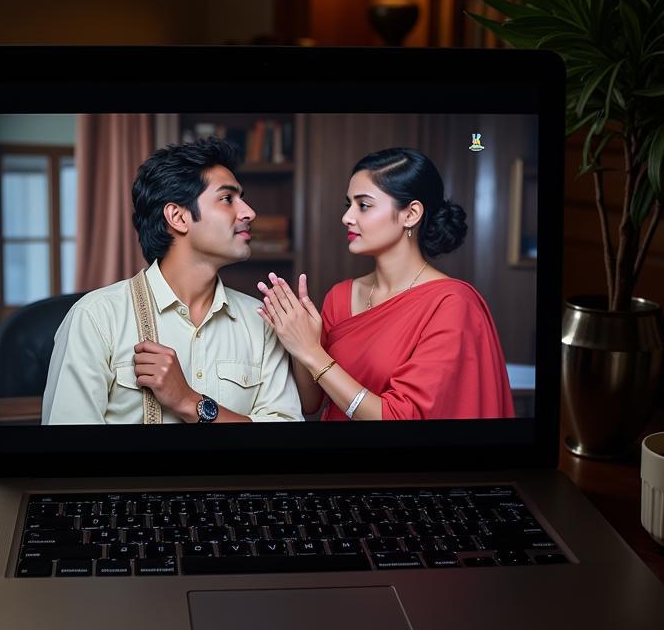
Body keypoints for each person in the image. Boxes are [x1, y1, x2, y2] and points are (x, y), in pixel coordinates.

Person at [40, 137, 301, 424]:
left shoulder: (262, 322)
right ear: (178, 217)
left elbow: (283, 436)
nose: (249, 212)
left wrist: (190, 402)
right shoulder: (96, 318)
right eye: (228, 199)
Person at [256, 147, 514, 421]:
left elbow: (399, 419)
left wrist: (312, 353)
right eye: (349, 205)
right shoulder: (340, 296)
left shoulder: (451, 304)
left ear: (411, 214)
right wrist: (297, 342)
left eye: (363, 205)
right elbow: (310, 403)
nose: (347, 218)